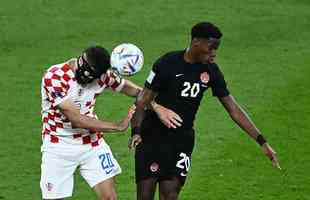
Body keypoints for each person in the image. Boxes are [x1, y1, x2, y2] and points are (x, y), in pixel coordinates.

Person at [129, 22, 281, 200]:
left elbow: (233, 109)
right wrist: (136, 131)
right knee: (145, 196)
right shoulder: (167, 63)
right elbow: (142, 100)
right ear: (196, 43)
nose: (214, 53)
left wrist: (261, 141)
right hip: (152, 136)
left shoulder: (211, 71)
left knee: (170, 195)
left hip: (182, 140)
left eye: (217, 48)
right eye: (211, 47)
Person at [40, 45, 141, 200]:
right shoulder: (56, 76)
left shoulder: (102, 76)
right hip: (58, 145)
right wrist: (117, 126)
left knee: (110, 198)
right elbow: (76, 119)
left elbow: (126, 87)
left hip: (91, 144)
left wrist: (152, 101)